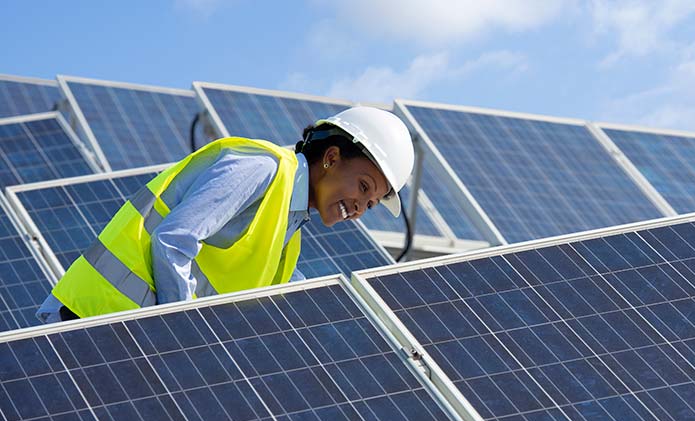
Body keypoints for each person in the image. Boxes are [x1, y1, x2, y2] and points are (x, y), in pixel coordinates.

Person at [36, 106, 415, 321]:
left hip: (124, 335)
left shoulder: (289, 238)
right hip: (89, 319)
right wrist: (186, 335)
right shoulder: (262, 168)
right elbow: (173, 241)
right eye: (363, 187)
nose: (359, 209)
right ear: (331, 157)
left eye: (370, 204)